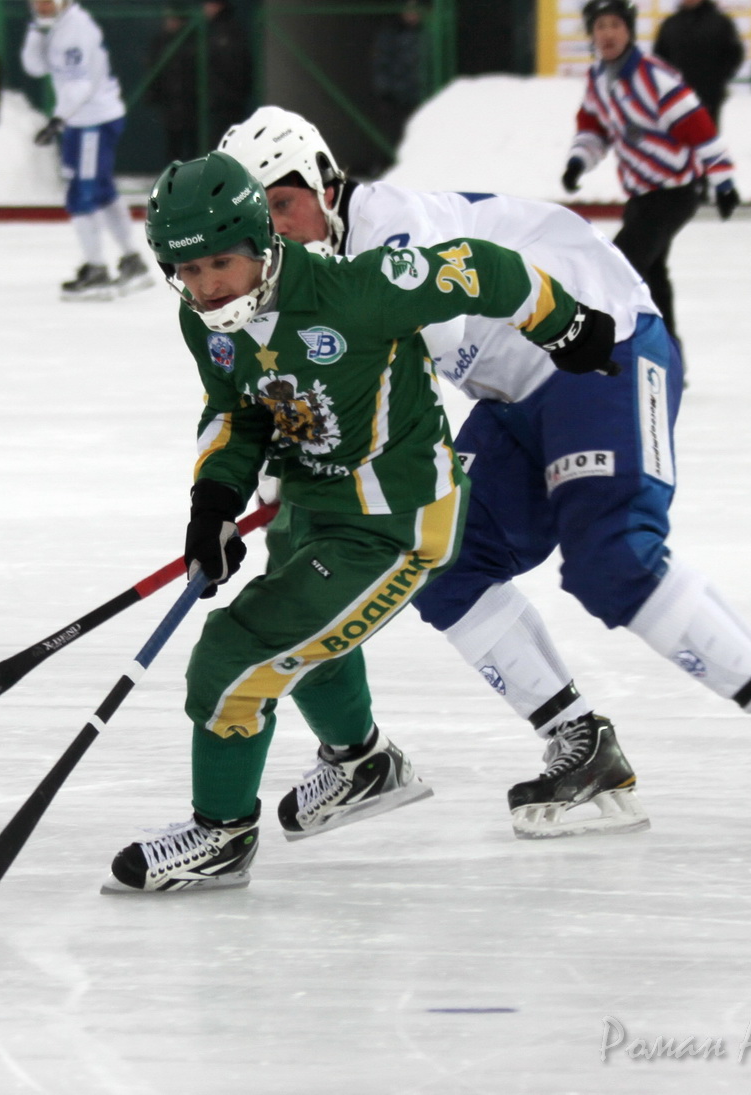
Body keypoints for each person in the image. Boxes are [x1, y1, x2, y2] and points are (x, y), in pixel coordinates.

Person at [219, 106, 751, 841]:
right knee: (441, 562)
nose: (277, 229)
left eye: (285, 203)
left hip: (602, 350)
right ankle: (581, 741)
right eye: (260, 219)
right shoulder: (316, 273)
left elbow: (404, 362)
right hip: (514, 397)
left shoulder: (390, 230)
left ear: (325, 182)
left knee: (613, 557)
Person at [105, 151, 619, 893]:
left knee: (232, 656)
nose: (208, 285)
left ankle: (222, 835)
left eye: (221, 262)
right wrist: (213, 503)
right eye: (188, 270)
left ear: (261, 243)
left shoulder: (357, 290)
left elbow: (485, 267)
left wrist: (566, 327)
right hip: (310, 507)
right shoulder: (205, 322)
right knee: (302, 636)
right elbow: (236, 409)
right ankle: (363, 764)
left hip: (395, 526)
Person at [562, 0, 739, 345]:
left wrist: (723, 182)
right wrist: (578, 162)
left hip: (674, 192)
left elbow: (699, 128)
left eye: (615, 25)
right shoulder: (598, 79)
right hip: (641, 195)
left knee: (618, 267)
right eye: (600, 27)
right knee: (652, 277)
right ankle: (666, 354)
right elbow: (594, 129)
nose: (608, 34)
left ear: (629, 31)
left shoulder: (655, 76)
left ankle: (604, 349)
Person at [22, 0, 153, 299]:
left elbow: (81, 85)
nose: (41, 7)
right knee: (102, 191)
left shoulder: (77, 29)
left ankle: (97, 270)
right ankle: (132, 260)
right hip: (80, 120)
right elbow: (34, 66)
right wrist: (36, 30)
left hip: (91, 122)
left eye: (46, 1)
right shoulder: (56, 26)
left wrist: (57, 119)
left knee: (81, 194)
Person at [653, 0, 745, 126]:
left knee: (706, 137)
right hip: (676, 99)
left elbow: (734, 54)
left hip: (709, 98)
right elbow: (659, 60)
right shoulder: (670, 24)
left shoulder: (720, 23)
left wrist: (717, 81)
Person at [369, 1, 429, 176]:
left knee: (420, 133)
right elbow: (381, 63)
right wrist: (385, 90)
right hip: (395, 95)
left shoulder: (428, 34)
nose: (413, 14)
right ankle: (387, 168)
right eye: (409, 9)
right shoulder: (391, 35)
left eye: (417, 9)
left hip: (421, 95)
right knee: (393, 134)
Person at [146, 9, 199, 164]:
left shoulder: (194, 41)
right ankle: (174, 175)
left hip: (191, 104)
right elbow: (153, 69)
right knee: (173, 146)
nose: (169, 23)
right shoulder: (160, 42)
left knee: (194, 146)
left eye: (174, 19)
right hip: (170, 104)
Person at [201, 1, 253, 142]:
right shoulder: (215, 30)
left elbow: (233, 67)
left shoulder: (224, 32)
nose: (204, 8)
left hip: (224, 101)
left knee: (222, 141)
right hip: (222, 100)